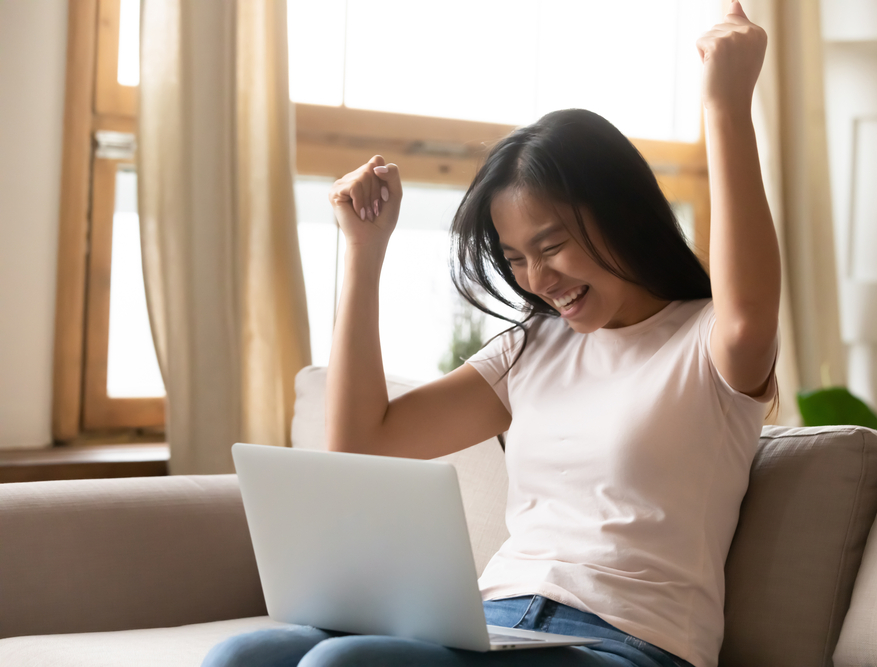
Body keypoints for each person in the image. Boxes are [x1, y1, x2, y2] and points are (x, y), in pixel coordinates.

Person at [203, 3, 777, 666]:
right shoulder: (533, 347)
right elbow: (363, 446)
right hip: (494, 622)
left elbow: (749, 306)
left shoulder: (711, 343)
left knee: (341, 664)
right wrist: (363, 252)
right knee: (244, 654)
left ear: (621, 216)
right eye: (514, 257)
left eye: (552, 244)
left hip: (629, 643)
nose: (538, 277)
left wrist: (726, 103)